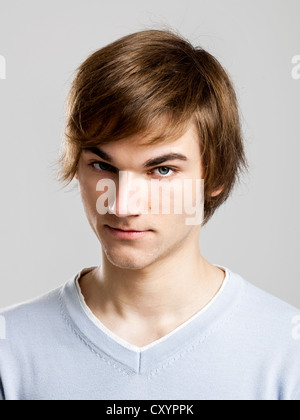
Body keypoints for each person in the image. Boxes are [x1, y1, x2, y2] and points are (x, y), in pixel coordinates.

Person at [0, 29, 299, 401]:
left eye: (161, 170)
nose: (123, 205)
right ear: (76, 167)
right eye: (102, 166)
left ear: (216, 175)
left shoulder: (285, 352)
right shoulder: (10, 349)